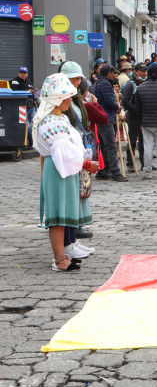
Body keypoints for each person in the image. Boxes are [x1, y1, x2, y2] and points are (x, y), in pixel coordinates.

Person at [33, 73, 99, 272]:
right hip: (59, 170)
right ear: (56, 100)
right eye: (67, 97)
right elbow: (63, 152)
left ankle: (64, 254)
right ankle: (59, 259)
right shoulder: (51, 122)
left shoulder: (57, 117)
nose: (70, 100)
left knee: (64, 213)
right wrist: (87, 163)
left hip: (64, 169)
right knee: (58, 216)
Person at [93, 64, 127, 182]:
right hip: (105, 117)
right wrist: (116, 107)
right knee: (111, 146)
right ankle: (115, 172)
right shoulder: (105, 84)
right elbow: (108, 101)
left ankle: (104, 171)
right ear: (109, 73)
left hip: (101, 117)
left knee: (104, 146)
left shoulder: (98, 83)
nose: (115, 75)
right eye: (113, 73)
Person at [120, 63, 146, 170]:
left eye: (145, 71)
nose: (144, 73)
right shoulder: (131, 84)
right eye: (142, 71)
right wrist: (135, 109)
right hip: (133, 116)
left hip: (144, 116)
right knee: (132, 140)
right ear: (136, 72)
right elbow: (125, 101)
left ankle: (145, 162)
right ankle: (130, 164)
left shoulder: (146, 83)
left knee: (144, 140)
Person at [11, 66, 36, 146]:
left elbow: (32, 93)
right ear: (18, 73)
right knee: (27, 126)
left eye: (24, 73)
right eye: (21, 73)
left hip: (31, 107)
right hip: (22, 107)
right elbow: (14, 91)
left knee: (32, 126)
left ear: (27, 74)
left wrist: (34, 102)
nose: (22, 75)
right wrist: (26, 91)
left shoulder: (28, 82)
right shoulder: (15, 81)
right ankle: (30, 143)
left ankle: (30, 143)